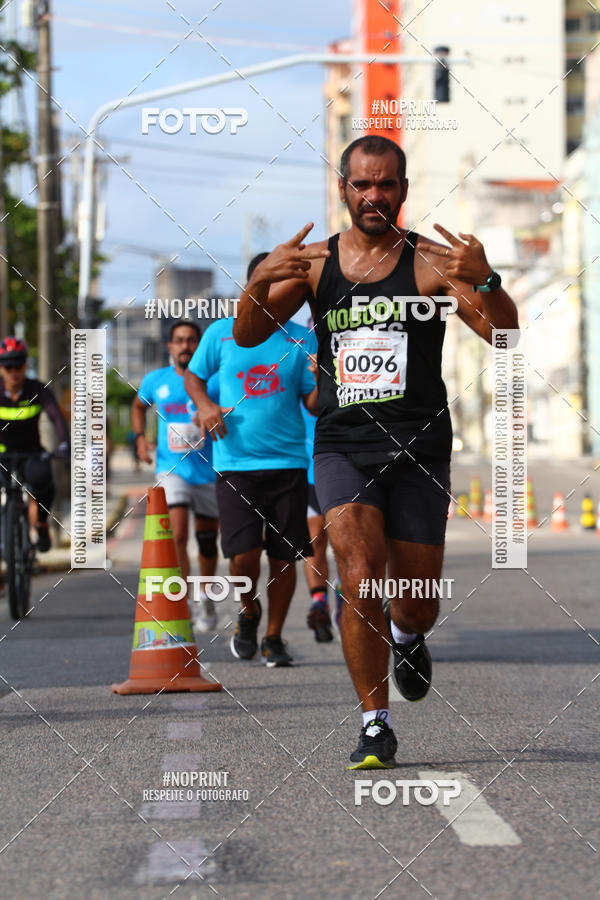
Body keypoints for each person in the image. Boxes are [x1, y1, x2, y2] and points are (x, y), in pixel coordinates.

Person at [232, 135, 519, 767]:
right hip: (344, 446)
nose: (373, 195)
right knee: (359, 575)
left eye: (386, 184)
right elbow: (247, 335)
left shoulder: (431, 264)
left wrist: (487, 278)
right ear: (343, 190)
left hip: (419, 448)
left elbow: (504, 334)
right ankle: (374, 723)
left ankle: (408, 633)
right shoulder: (314, 265)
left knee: (417, 599)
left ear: (403, 191)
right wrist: (258, 281)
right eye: (362, 184)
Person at [184, 254, 318, 668]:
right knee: (242, 556)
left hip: (288, 463)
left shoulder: (301, 339)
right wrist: (205, 405)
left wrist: (324, 378)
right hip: (234, 464)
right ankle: (248, 610)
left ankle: (274, 636)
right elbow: (193, 376)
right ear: (255, 286)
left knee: (283, 557)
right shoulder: (222, 333)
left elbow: (313, 403)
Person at [132, 321, 220, 632]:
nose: (185, 346)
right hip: (171, 470)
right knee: (178, 534)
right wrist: (140, 439)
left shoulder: (214, 379)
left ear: (200, 345)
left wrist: (213, 413)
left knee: (207, 542)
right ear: (169, 346)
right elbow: (138, 406)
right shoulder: (156, 380)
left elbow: (232, 409)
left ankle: (205, 596)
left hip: (208, 471)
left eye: (191, 340)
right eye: (179, 341)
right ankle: (184, 601)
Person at [0, 337, 70, 552]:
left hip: (31, 453)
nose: (14, 372)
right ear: (1, 369)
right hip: (3, 455)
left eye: (18, 366)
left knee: (43, 482)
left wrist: (64, 443)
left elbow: (56, 417)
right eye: (8, 367)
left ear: (25, 366)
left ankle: (40, 524)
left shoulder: (37, 389)